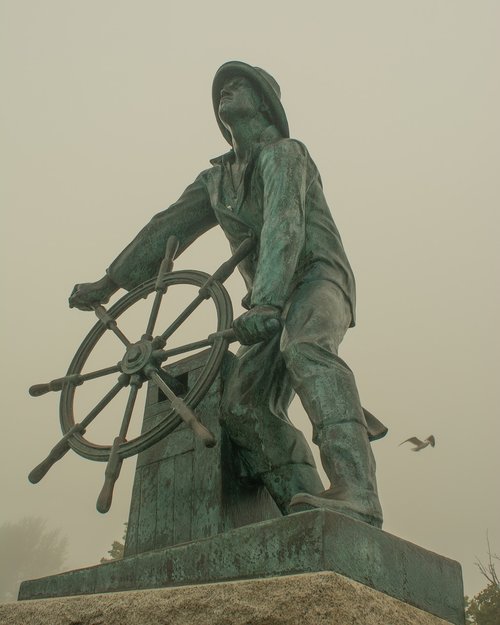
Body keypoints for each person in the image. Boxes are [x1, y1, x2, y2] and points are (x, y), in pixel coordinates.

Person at [69, 61, 386, 528]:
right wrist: (110, 283)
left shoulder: (285, 154)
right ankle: (302, 506)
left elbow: (284, 224)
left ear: (264, 104)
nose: (225, 92)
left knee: (304, 348)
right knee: (242, 405)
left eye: (239, 86)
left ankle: (358, 492)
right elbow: (166, 229)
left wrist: (268, 302)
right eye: (221, 89)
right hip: (268, 304)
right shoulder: (214, 182)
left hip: (317, 278)